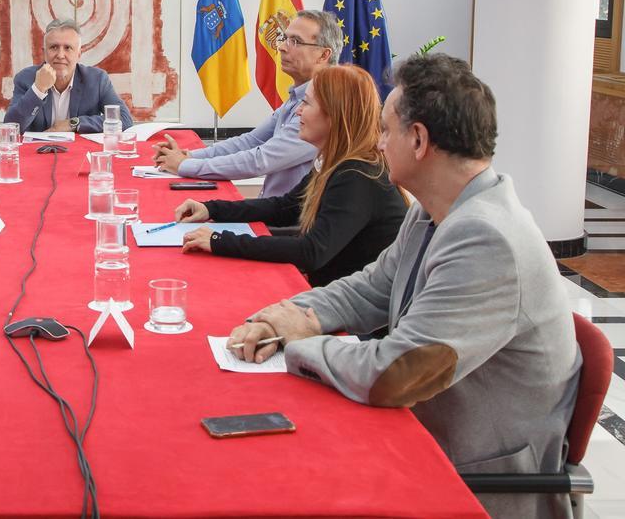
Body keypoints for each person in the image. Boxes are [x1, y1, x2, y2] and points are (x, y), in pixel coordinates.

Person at [227, 54, 581, 519]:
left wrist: (296, 344)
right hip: (420, 437)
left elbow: (397, 373)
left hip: (467, 479)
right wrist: (285, 314)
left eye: (385, 130)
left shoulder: (487, 237)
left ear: (418, 140)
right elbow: (371, 288)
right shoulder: (438, 209)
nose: (375, 143)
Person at [175, 64, 406, 286]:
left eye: (306, 103)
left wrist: (219, 241)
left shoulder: (357, 174)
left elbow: (311, 251)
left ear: (333, 115)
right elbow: (285, 207)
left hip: (357, 318)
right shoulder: (334, 162)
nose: (298, 111)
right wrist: (211, 209)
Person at [153, 9, 340, 198]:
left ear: (323, 55)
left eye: (295, 41)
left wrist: (184, 165)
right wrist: (189, 155)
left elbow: (261, 160)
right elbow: (250, 141)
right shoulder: (298, 97)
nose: (282, 47)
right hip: (270, 211)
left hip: (290, 223)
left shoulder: (324, 105)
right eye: (284, 38)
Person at [4, 18, 134, 133]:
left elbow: (124, 119)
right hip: (39, 155)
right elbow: (11, 127)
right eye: (54, 47)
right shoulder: (25, 79)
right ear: (44, 53)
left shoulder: (97, 80)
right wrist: (38, 90)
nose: (60, 55)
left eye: (68, 48)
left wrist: (72, 124)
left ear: (78, 54)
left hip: (81, 157)